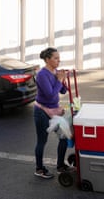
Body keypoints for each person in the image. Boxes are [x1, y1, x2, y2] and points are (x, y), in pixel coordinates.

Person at [33, 47, 72, 179]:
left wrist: (63, 80)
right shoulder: (42, 75)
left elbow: (62, 91)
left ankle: (60, 165)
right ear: (47, 59)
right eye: (55, 58)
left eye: (59, 58)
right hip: (42, 111)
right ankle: (39, 169)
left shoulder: (55, 71)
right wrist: (59, 80)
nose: (58, 60)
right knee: (42, 141)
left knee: (64, 137)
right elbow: (50, 95)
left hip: (54, 110)